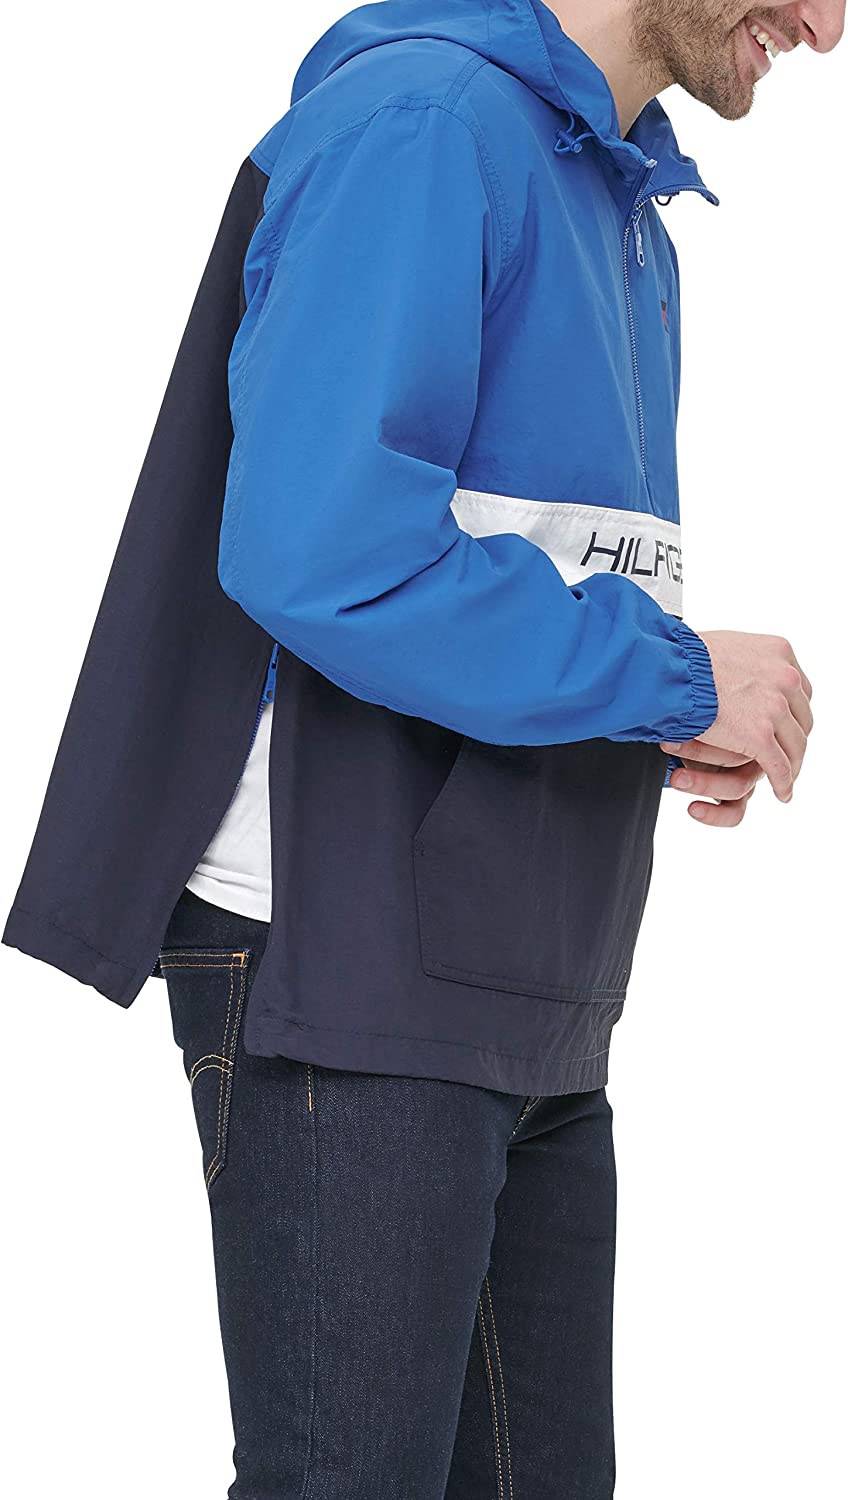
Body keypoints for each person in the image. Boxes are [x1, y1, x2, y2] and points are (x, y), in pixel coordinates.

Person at [3, 1, 840, 1495]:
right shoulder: (429, 128)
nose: (827, 26)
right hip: (349, 966)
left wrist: (658, 712)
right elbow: (326, 553)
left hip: (533, 977)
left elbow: (510, 559)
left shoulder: (619, 207)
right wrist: (666, 676)